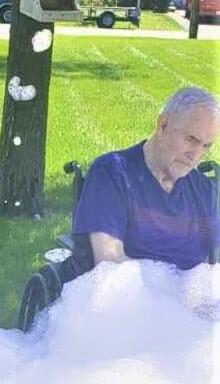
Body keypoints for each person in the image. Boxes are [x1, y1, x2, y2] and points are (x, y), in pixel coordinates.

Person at [72, 86, 220, 268]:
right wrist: (165, 293)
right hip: (124, 293)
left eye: (206, 146)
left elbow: (210, 267)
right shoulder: (112, 174)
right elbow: (108, 261)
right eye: (191, 139)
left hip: (187, 293)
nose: (196, 155)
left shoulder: (203, 190)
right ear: (163, 125)